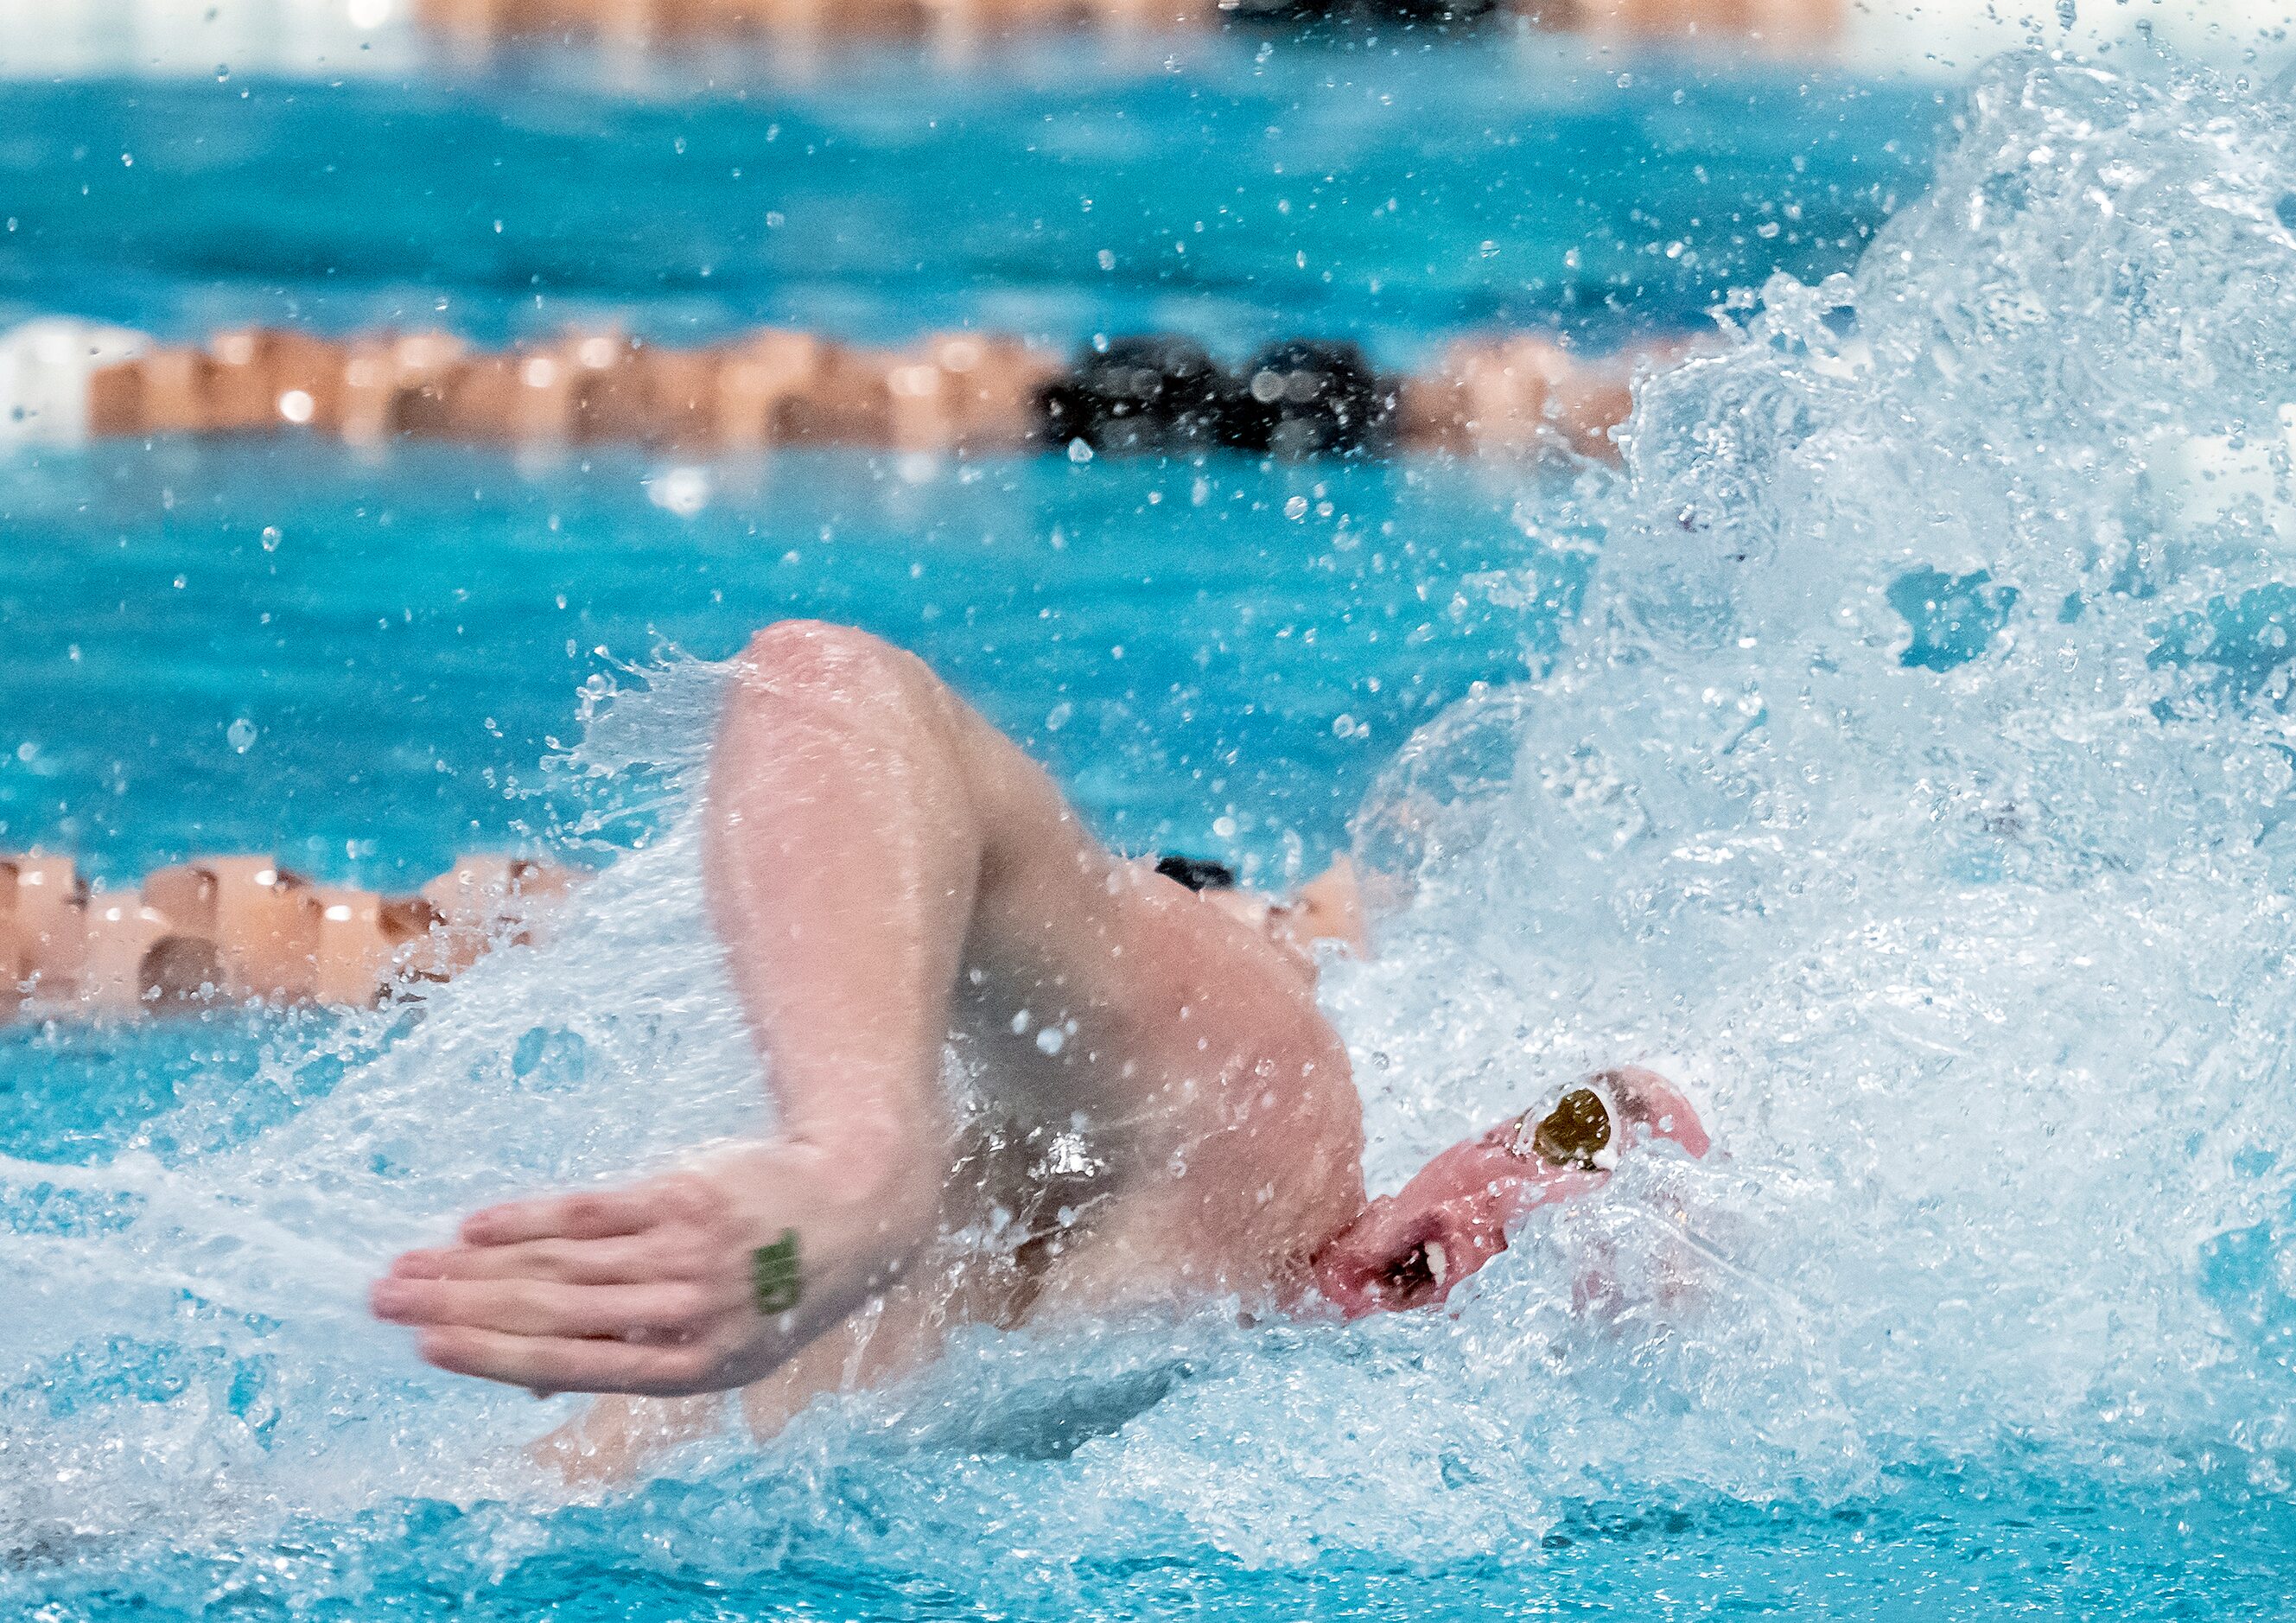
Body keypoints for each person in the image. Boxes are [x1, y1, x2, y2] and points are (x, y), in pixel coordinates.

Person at [367, 620, 1708, 1473]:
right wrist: (854, 1166)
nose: (1542, 1212)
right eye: (1586, 1129)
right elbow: (830, 687)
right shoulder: (1262, 1124)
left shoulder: (1218, 1393)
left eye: (1611, 1256)